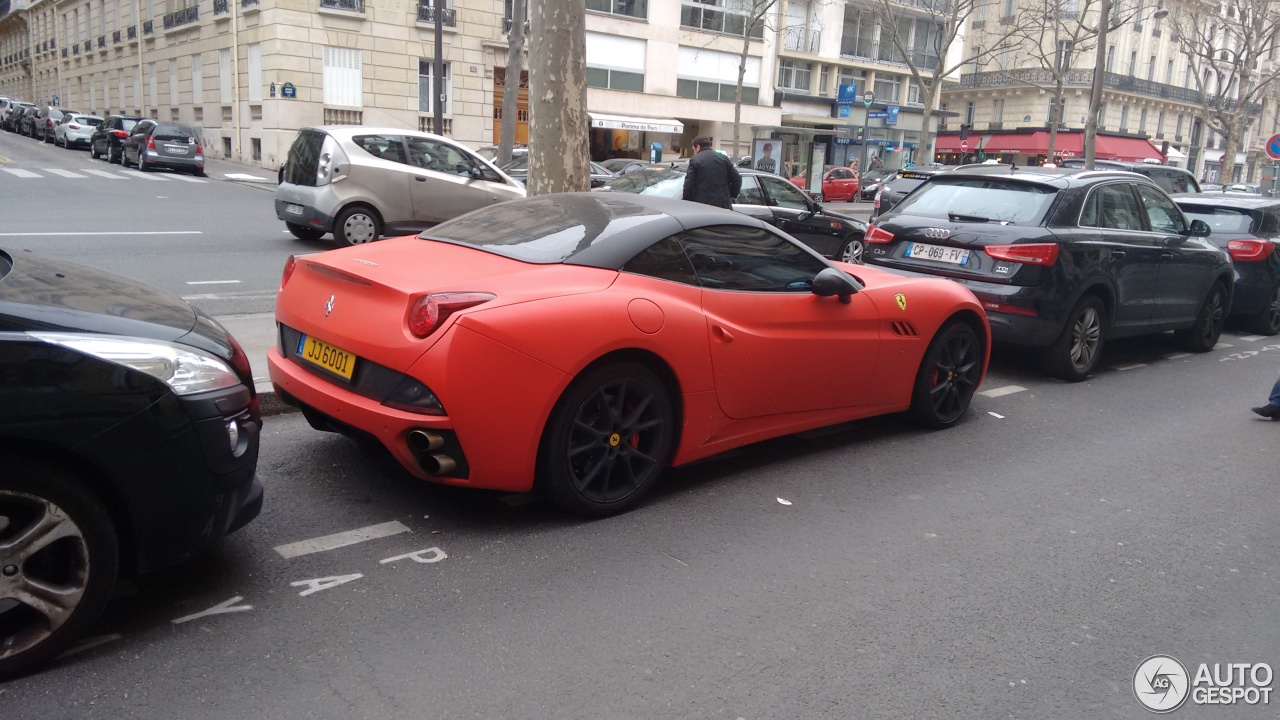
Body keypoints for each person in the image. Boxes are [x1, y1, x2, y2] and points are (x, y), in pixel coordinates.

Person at [683, 136, 742, 209]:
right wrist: (732, 195)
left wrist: (687, 202)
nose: (694, 152)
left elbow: (689, 185)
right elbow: (737, 178)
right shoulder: (723, 158)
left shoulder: (695, 160)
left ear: (698, 147)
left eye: (693, 149)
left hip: (702, 205)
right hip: (723, 204)